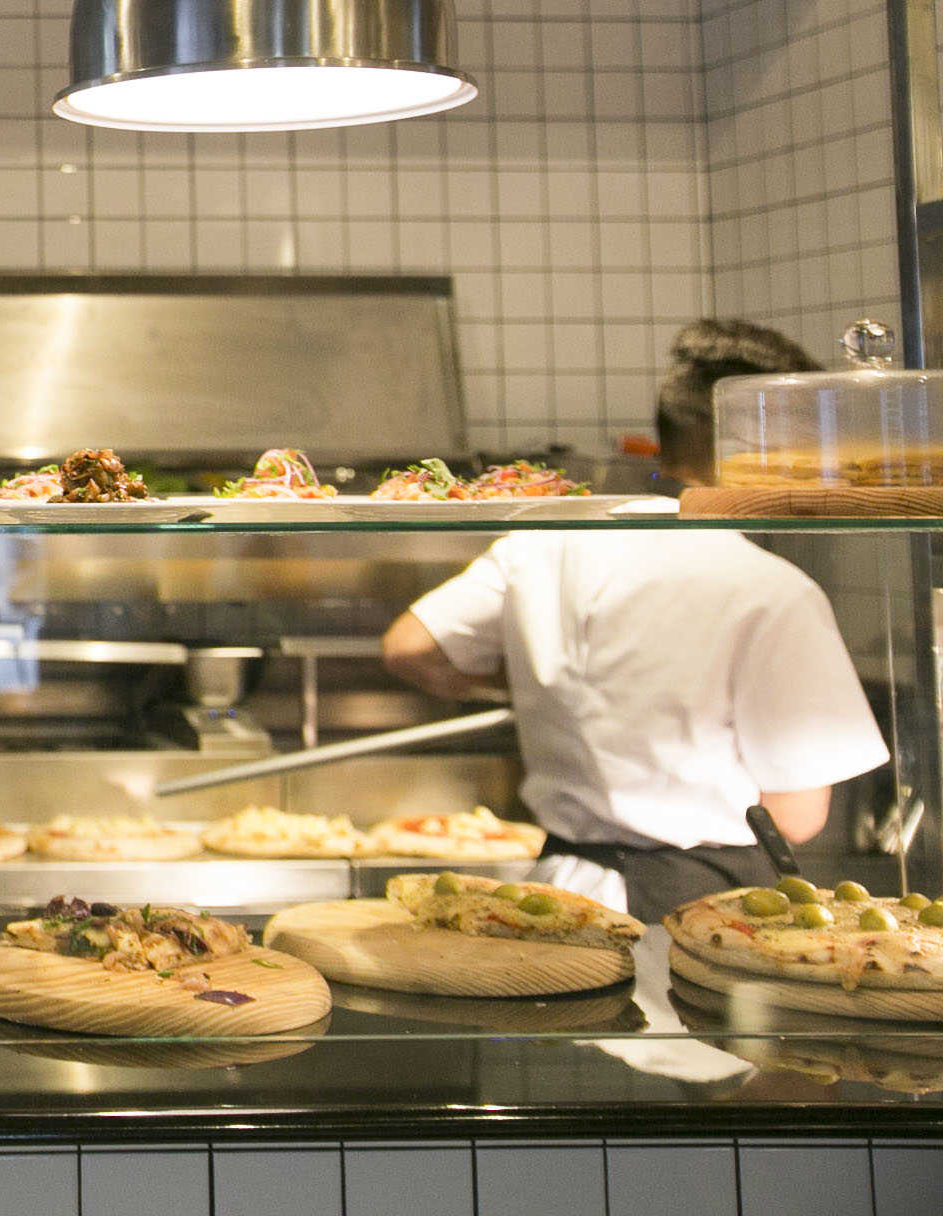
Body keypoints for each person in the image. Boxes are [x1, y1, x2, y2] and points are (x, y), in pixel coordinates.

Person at [382, 320, 891, 921]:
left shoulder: (543, 544)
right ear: (768, 442)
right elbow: (798, 818)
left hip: (560, 887)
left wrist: (543, 693)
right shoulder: (772, 589)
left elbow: (409, 646)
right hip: (705, 903)